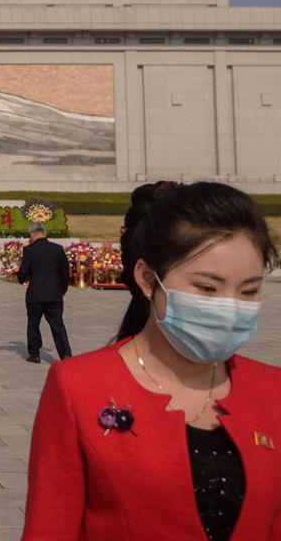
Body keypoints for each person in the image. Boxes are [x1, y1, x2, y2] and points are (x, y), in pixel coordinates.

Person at [23, 181, 281, 540]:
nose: (230, 307)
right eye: (207, 288)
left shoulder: (273, 389)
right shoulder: (77, 387)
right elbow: (50, 529)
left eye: (249, 290)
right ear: (147, 278)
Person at [16, 221, 72, 363]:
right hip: (54, 294)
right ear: (44, 233)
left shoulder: (29, 250)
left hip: (35, 294)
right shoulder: (58, 249)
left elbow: (23, 273)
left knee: (33, 324)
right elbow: (65, 272)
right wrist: (62, 289)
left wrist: (21, 277)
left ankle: (34, 354)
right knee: (57, 325)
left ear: (31, 234)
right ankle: (65, 355)